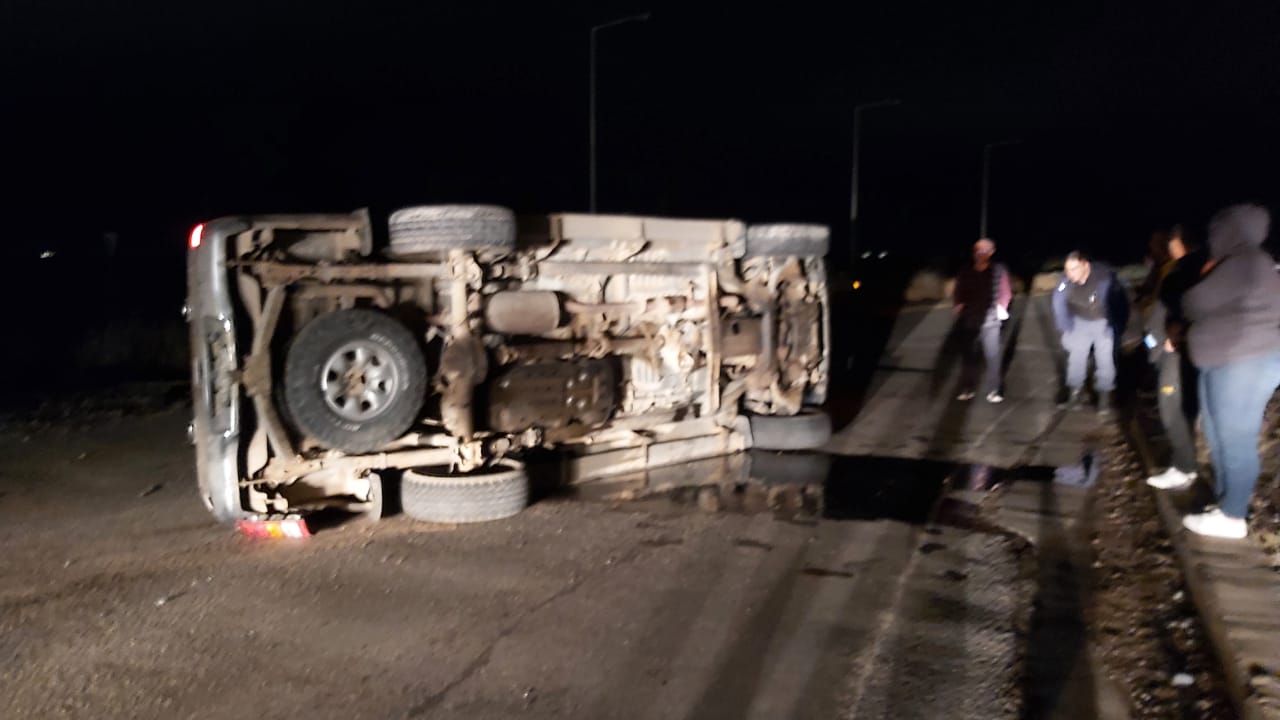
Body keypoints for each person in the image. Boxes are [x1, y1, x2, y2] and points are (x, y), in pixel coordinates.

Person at [1179, 204, 1280, 539]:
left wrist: (1205, 276)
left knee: (1235, 438)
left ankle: (1233, 515)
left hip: (1243, 361)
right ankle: (1226, 502)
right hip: (1225, 361)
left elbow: (1193, 303)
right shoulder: (1245, 263)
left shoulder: (1246, 262)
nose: (1212, 239)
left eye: (1216, 232)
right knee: (1217, 432)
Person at [1145, 227, 1208, 489]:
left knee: (1171, 407)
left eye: (1174, 247)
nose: (1172, 253)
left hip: (1176, 352)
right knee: (1182, 407)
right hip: (1174, 349)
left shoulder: (1187, 274)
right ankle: (1186, 462)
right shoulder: (1185, 271)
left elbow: (1166, 314)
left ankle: (1184, 467)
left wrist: (1160, 347)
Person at [1052, 251, 1130, 414]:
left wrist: (1117, 328)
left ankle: (1104, 399)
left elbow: (1121, 304)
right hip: (1079, 321)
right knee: (1076, 357)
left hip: (1103, 322)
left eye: (1074, 269)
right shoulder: (1065, 281)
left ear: (1085, 265)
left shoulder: (1104, 278)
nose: (1070, 274)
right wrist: (1065, 327)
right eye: (1067, 270)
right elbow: (1058, 302)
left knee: (1105, 360)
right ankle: (1075, 395)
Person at [952, 238, 1012, 402]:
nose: (980, 253)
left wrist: (1002, 306)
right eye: (978, 250)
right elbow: (958, 291)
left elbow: (1005, 291)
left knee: (993, 356)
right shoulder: (965, 270)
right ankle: (968, 388)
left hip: (991, 321)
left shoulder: (998, 270)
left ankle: (995, 389)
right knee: (969, 356)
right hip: (970, 320)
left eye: (985, 250)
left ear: (991, 252)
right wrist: (958, 304)